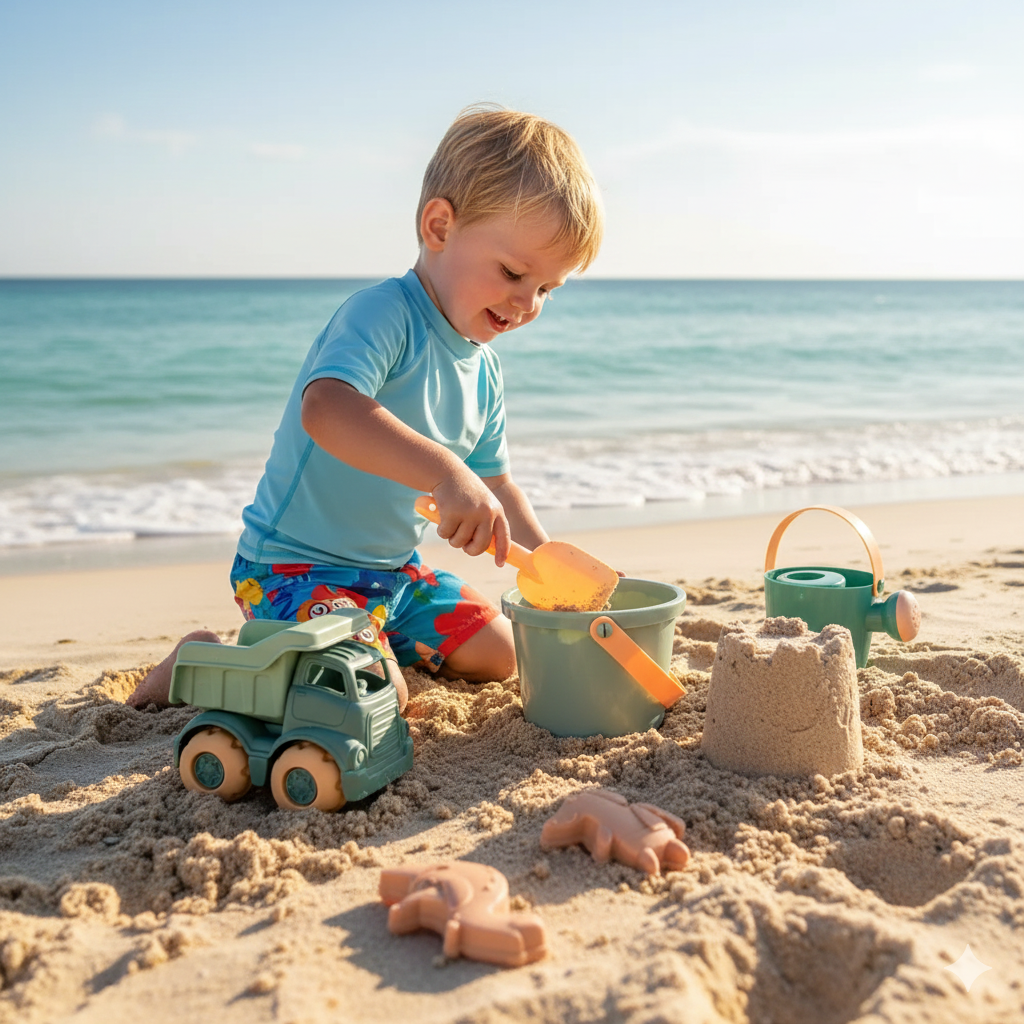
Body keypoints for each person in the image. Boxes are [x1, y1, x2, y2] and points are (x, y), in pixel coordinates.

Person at [127, 104, 603, 712]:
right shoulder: (385, 314)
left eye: (546, 289)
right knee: (378, 692)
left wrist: (549, 570)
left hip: (393, 578)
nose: (527, 303)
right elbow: (326, 410)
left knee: (500, 654)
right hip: (291, 570)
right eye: (513, 272)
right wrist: (444, 473)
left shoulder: (483, 369)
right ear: (438, 227)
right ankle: (206, 656)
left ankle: (360, 635)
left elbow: (495, 481)